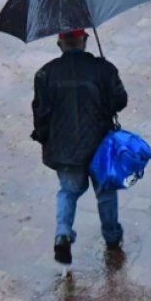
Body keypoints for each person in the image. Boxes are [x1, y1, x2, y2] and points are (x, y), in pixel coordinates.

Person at [31, 30, 128, 275]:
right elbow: (120, 101)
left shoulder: (45, 73)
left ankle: (63, 233)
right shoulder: (103, 69)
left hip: (64, 148)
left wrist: (44, 139)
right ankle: (112, 237)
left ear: (59, 44)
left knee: (68, 192)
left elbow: (41, 114)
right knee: (105, 192)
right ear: (85, 41)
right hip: (99, 145)